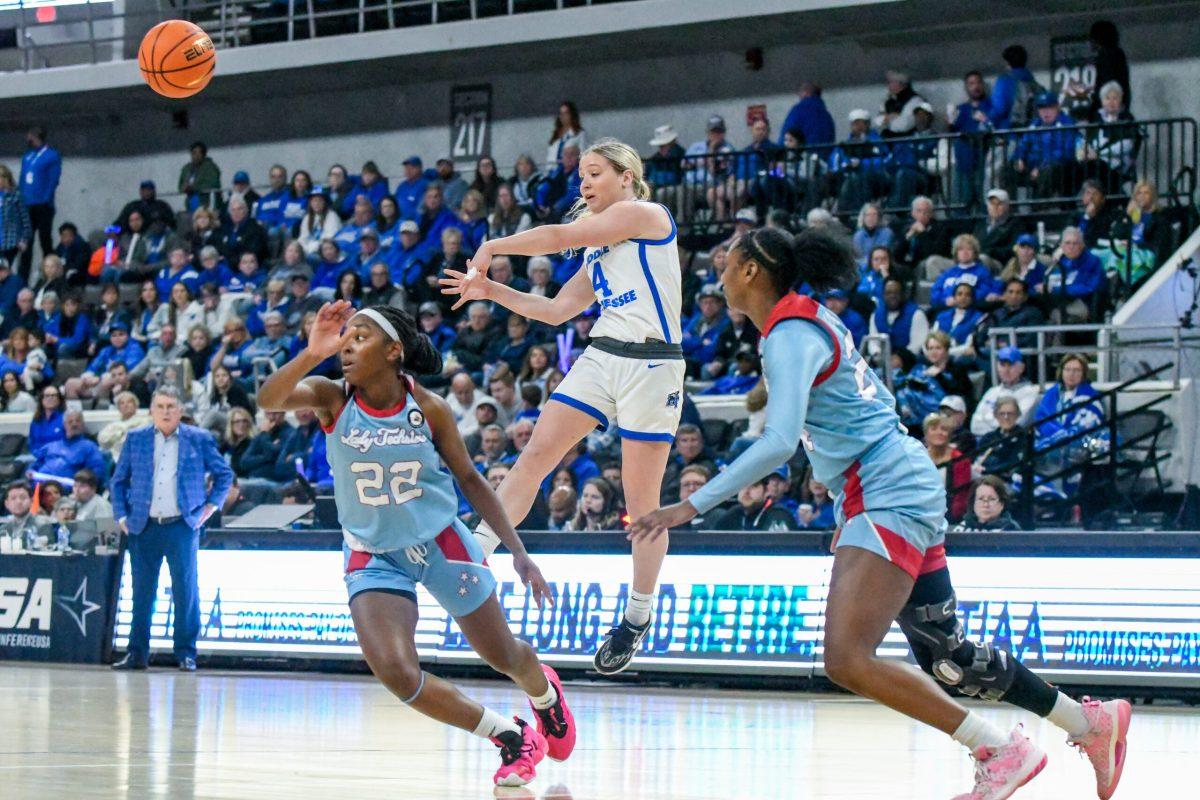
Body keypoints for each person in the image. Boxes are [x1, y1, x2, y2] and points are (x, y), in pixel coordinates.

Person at [628, 225, 1130, 800]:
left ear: (749, 272)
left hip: (885, 486)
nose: (717, 273)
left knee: (846, 657)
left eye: (726, 263)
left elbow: (778, 441)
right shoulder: (801, 318)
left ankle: (999, 749)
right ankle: (1090, 724)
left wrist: (689, 505)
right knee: (950, 657)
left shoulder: (789, 332)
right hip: (895, 480)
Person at [258, 300, 574, 782]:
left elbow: (470, 478)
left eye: (359, 337)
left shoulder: (428, 408)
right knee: (398, 674)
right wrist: (309, 353)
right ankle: (510, 736)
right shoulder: (331, 397)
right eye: (344, 340)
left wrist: (519, 553)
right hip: (373, 552)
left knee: (503, 655)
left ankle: (545, 698)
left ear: (393, 350)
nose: (346, 347)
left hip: (441, 542)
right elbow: (268, 399)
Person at [441, 138, 684, 676]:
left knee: (643, 509)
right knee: (533, 459)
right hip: (602, 355)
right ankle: (477, 556)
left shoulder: (645, 215)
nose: (586, 183)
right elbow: (555, 311)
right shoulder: (600, 247)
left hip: (652, 364)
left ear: (626, 176)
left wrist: (494, 245)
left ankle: (637, 617)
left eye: (595, 173)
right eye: (581, 177)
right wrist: (490, 291)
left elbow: (560, 235)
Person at [110, 385, 233, 671]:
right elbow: (118, 481)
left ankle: (186, 653)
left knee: (185, 590)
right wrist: (121, 516)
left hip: (182, 525)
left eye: (171, 407)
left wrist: (210, 507)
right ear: (151, 411)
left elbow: (224, 474)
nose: (165, 412)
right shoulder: (136, 438)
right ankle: (137, 653)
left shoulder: (198, 438)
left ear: (180, 411)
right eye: (160, 406)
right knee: (141, 592)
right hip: (143, 525)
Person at [18, 127, 61, 282]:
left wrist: (46, 199)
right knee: (26, 244)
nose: (27, 139)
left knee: (45, 240)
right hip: (27, 205)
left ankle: (51, 276)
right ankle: (23, 279)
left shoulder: (52, 155)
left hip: (43, 205)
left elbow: (53, 180)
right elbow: (22, 179)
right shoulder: (27, 156)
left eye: (29, 136)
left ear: (36, 136)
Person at [971, 346, 1041, 437]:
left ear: (1022, 368)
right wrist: (998, 430)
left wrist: (989, 422)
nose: (1006, 370)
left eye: (1011, 365)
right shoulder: (992, 392)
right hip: (986, 441)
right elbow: (974, 425)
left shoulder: (1031, 393)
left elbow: (1016, 424)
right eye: (1002, 365)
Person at [869, 277, 928, 357]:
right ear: (883, 295)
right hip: (883, 361)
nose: (892, 296)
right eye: (888, 293)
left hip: (910, 363)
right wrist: (877, 355)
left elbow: (917, 346)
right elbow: (873, 342)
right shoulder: (876, 315)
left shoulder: (917, 315)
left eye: (896, 292)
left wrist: (901, 358)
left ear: (904, 294)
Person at [953, 476, 1022, 531]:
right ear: (973, 502)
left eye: (991, 499)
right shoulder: (962, 528)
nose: (986, 505)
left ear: (1002, 503)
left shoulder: (1011, 529)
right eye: (981, 499)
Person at [778, 82, 836, 147]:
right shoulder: (827, 116)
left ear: (805, 93)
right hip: (824, 155)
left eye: (800, 92)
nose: (798, 95)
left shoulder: (798, 111)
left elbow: (786, 135)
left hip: (804, 155)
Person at [874, 70, 926, 138]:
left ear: (901, 84)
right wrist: (890, 117)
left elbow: (903, 125)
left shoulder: (915, 100)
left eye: (890, 82)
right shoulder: (888, 102)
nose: (888, 86)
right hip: (888, 141)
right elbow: (877, 123)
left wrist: (887, 121)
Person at [178, 141, 221, 211]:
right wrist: (185, 188)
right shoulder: (187, 168)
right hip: (191, 203)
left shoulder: (210, 167)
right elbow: (180, 186)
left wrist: (195, 187)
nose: (196, 156)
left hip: (207, 203)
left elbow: (214, 183)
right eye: (194, 153)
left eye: (199, 153)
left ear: (204, 154)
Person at [546, 101, 587, 172]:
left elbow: (583, 155)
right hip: (553, 171)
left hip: (569, 172)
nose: (563, 116)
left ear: (572, 115)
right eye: (561, 114)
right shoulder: (556, 135)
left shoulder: (579, 134)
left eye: (566, 113)